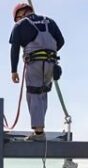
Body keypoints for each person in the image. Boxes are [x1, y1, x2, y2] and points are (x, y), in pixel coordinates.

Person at [9, 3, 65, 141]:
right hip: (51, 63)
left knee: (33, 94)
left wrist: (14, 70)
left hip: (35, 63)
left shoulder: (21, 25)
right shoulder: (50, 21)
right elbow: (61, 41)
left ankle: (39, 133)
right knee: (42, 94)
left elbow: (14, 48)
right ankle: (40, 129)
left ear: (20, 14)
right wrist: (49, 52)